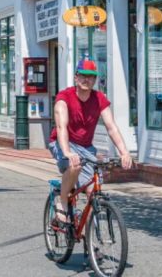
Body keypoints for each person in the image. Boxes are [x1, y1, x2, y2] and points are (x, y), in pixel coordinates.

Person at [48, 57, 133, 225]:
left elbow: (111, 127)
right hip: (64, 143)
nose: (87, 79)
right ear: (76, 77)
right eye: (83, 75)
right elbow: (61, 127)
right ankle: (62, 200)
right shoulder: (64, 97)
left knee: (92, 192)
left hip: (86, 147)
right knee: (74, 165)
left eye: (91, 76)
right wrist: (67, 152)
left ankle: (92, 242)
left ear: (95, 79)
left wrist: (124, 152)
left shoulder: (99, 98)